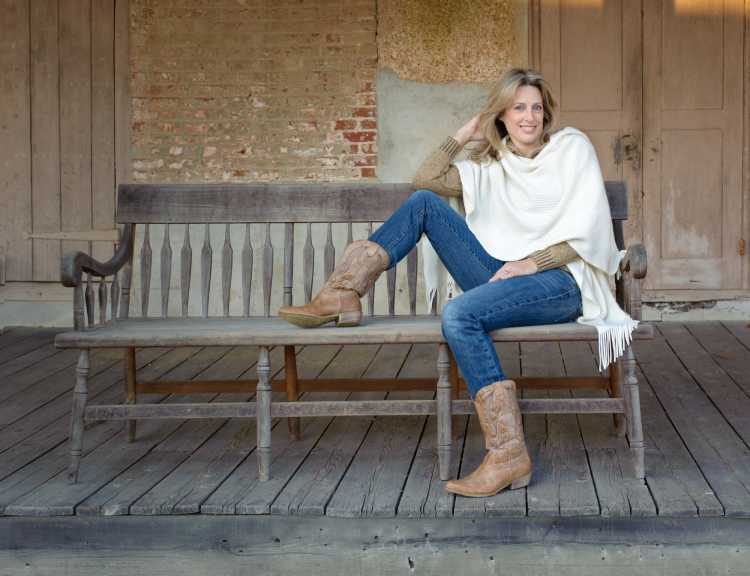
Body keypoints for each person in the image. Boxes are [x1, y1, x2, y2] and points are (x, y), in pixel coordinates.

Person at [278, 68, 637, 498]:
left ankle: (507, 454)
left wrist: (533, 262)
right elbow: (424, 179)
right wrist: (468, 129)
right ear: (502, 115)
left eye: (536, 108)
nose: (529, 117)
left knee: (460, 315)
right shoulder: (493, 166)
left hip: (560, 283)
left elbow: (590, 230)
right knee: (425, 204)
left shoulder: (571, 148)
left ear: (546, 114)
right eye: (518, 108)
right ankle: (342, 292)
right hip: (500, 275)